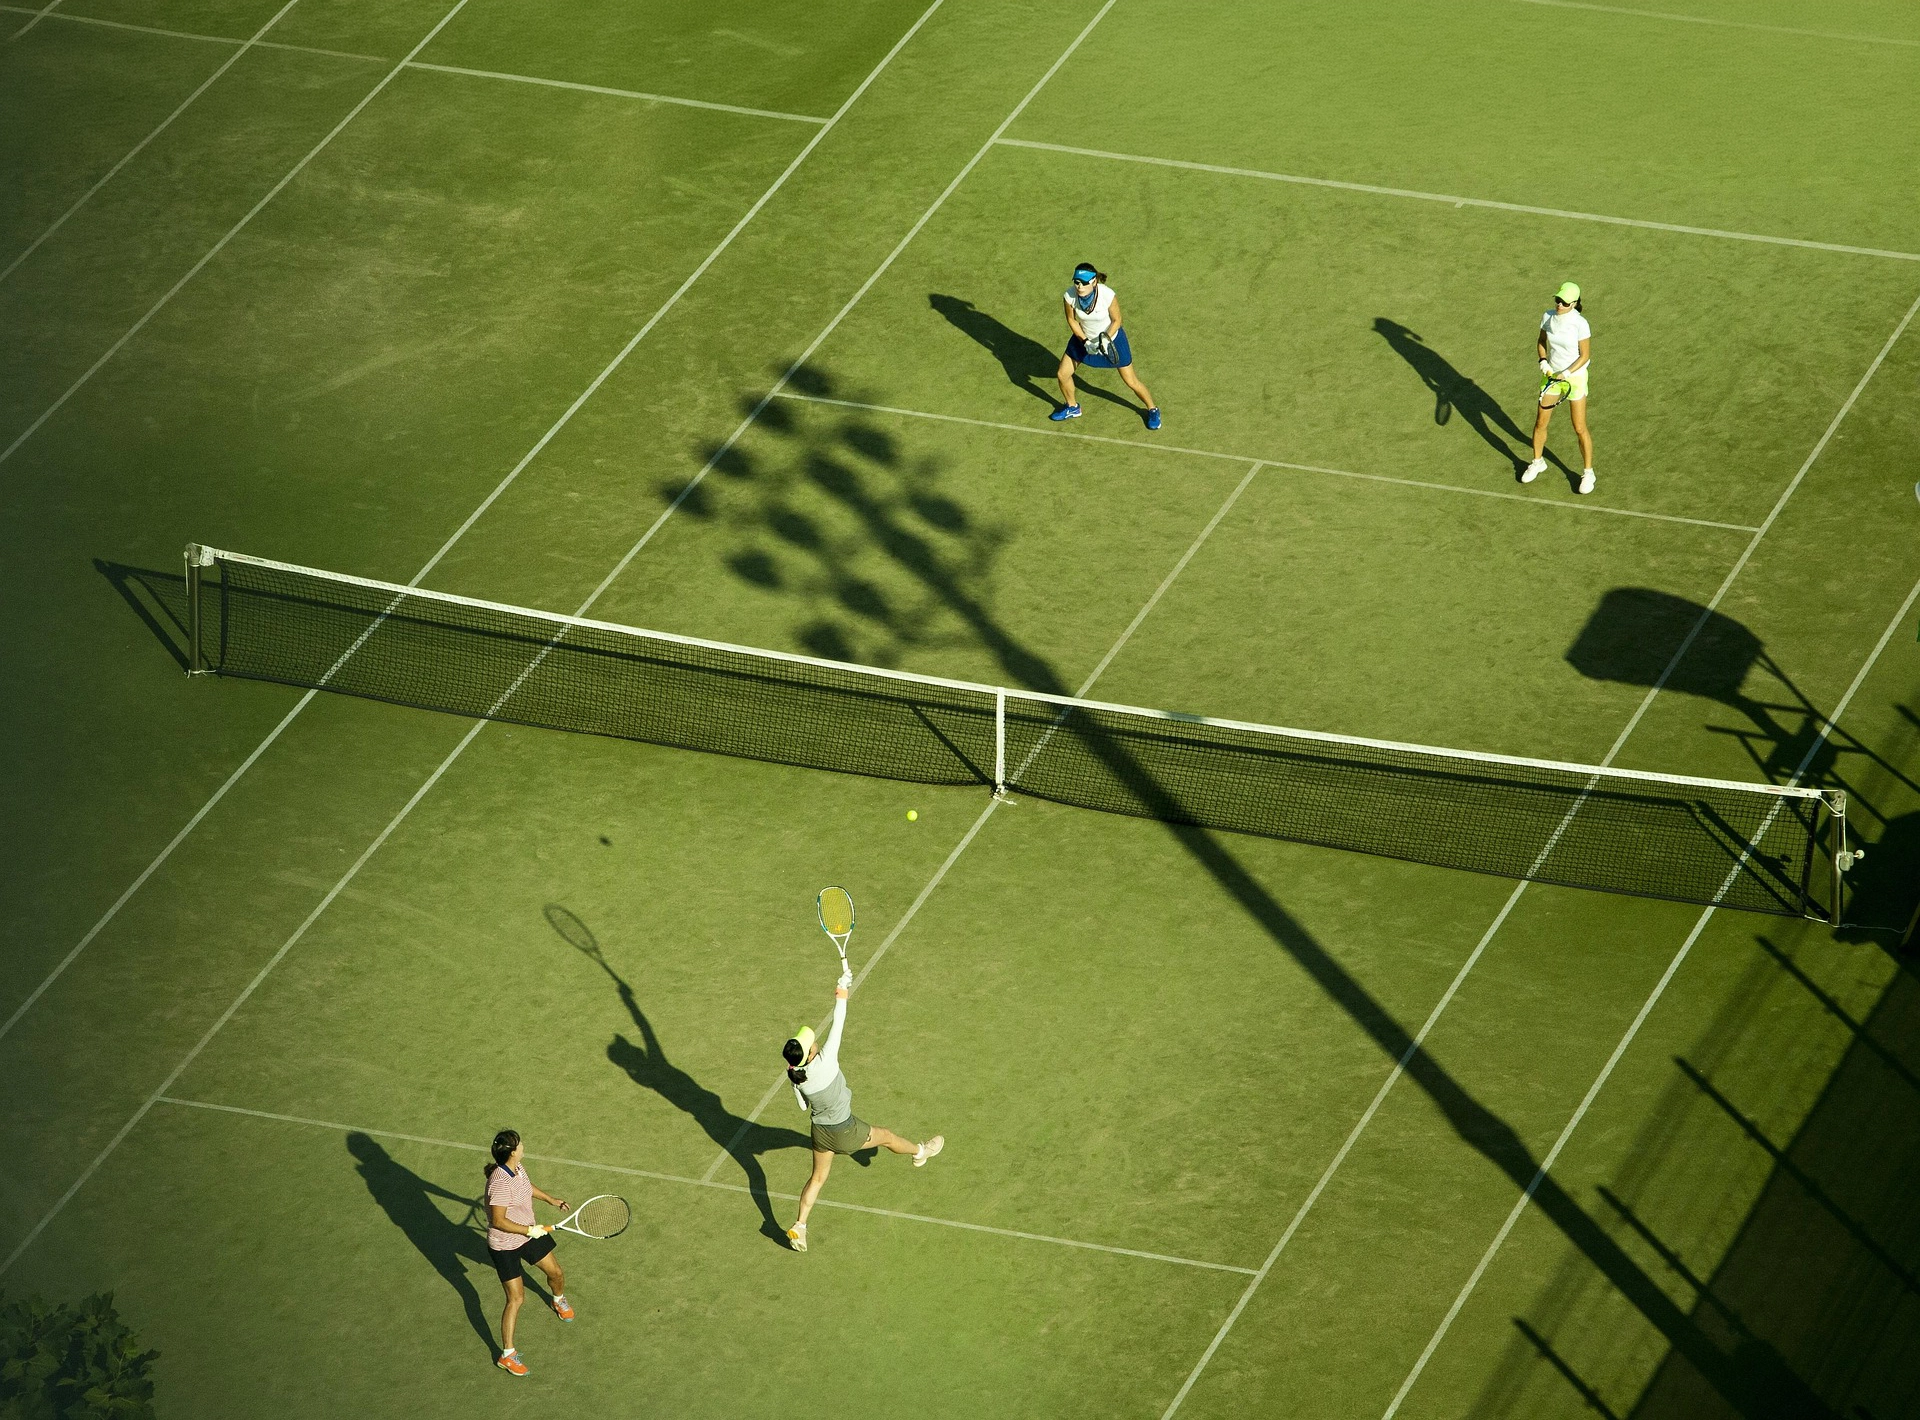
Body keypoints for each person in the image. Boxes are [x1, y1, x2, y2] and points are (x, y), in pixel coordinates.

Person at [783, 968, 943, 1252]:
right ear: (810, 1053)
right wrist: (842, 986)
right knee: (887, 1136)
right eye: (811, 1043)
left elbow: (802, 1106)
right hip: (845, 1131)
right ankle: (921, 1152)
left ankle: (800, 1226)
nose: (814, 1040)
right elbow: (839, 1019)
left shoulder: (797, 1076)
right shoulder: (826, 1060)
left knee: (817, 1178)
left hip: (819, 1132)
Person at [483, 1129, 572, 1375]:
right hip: (505, 1245)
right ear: (512, 1152)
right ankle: (507, 1355)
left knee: (556, 1273)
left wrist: (550, 1199)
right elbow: (498, 1220)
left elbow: (525, 1187)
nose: (523, 1145)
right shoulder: (500, 1183)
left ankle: (558, 1300)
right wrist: (528, 1230)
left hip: (527, 1233)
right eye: (519, 1144)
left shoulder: (517, 1167)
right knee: (516, 1299)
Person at [1052, 262, 1161, 429]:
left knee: (1131, 381)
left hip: (1112, 340)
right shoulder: (1069, 296)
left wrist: (1105, 339)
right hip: (1083, 339)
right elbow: (1072, 320)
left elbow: (1117, 321)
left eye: (1084, 283)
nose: (1079, 286)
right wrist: (1085, 341)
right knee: (1062, 374)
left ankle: (1152, 409)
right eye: (1076, 282)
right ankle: (1073, 407)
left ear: (1094, 281)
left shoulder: (1107, 295)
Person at [1521, 281, 1595, 494]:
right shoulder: (1548, 316)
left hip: (1574, 378)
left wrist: (1567, 373)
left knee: (1579, 427)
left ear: (1574, 303)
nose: (1559, 304)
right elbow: (1541, 341)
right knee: (1540, 423)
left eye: (1564, 302)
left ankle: (1588, 473)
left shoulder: (1581, 324)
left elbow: (1585, 356)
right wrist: (1543, 361)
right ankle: (1537, 462)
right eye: (1558, 300)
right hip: (1552, 377)